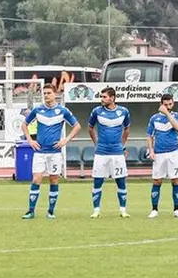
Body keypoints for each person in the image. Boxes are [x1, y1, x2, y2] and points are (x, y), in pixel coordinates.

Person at [21, 84, 81, 219]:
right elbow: (24, 124)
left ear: (55, 94)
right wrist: (30, 140)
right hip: (40, 152)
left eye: (49, 93)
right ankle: (31, 211)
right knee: (36, 179)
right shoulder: (37, 110)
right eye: (44, 93)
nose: (46, 95)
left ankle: (51, 211)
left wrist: (65, 140)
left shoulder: (63, 111)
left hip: (55, 153)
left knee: (54, 179)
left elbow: (77, 126)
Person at [87, 87, 131, 219]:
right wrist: (96, 143)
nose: (102, 99)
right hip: (101, 153)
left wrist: (122, 146)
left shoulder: (124, 111)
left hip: (117, 153)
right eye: (101, 97)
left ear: (112, 98)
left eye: (104, 97)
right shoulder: (97, 111)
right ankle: (96, 210)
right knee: (98, 181)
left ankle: (123, 210)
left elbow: (127, 129)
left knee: (121, 181)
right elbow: (90, 127)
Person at [145, 93, 178, 219]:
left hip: (173, 152)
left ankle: (176, 210)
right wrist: (151, 150)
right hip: (159, 153)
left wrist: (167, 114)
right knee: (157, 180)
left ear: (173, 103)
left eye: (170, 104)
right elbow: (149, 136)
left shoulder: (177, 116)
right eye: (165, 104)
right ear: (161, 104)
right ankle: (154, 209)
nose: (168, 106)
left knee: (175, 180)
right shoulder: (154, 118)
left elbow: (177, 127)